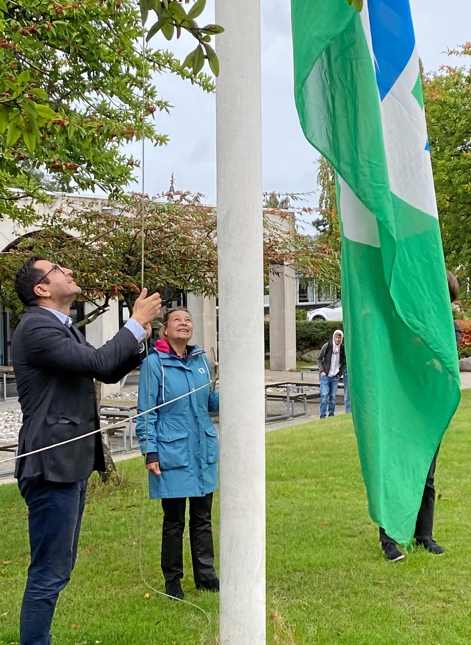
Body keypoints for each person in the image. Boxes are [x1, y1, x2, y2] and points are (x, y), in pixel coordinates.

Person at [12, 256, 162, 645]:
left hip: (69, 463)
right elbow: (98, 361)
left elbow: (107, 370)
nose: (68, 270)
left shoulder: (61, 328)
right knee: (49, 571)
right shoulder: (36, 327)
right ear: (41, 289)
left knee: (57, 569)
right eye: (57, 270)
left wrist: (139, 333)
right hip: (51, 463)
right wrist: (132, 323)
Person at [136, 307, 219, 601]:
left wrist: (234, 390)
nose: (184, 324)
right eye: (177, 321)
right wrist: (150, 451)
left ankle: (206, 575)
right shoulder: (154, 364)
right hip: (172, 452)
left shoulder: (201, 361)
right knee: (174, 522)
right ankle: (173, 579)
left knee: (203, 517)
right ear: (165, 330)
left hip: (201, 451)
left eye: (188, 319)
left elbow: (209, 403)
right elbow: (146, 412)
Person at [379, 270, 461, 562]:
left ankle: (423, 535)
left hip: (428, 412)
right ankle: (389, 539)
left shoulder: (448, 328)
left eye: (449, 300)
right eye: (444, 297)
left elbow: (442, 366)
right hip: (402, 408)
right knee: (397, 470)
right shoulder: (408, 321)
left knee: (426, 476)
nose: (447, 304)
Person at [317, 329, 346, 418]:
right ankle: (322, 415)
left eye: (339, 337)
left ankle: (331, 415)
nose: (337, 339)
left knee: (332, 397)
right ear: (333, 337)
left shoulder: (342, 348)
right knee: (324, 396)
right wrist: (322, 371)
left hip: (335, 376)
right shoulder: (327, 346)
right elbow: (319, 359)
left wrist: (340, 372)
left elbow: (344, 362)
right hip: (326, 375)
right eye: (336, 337)